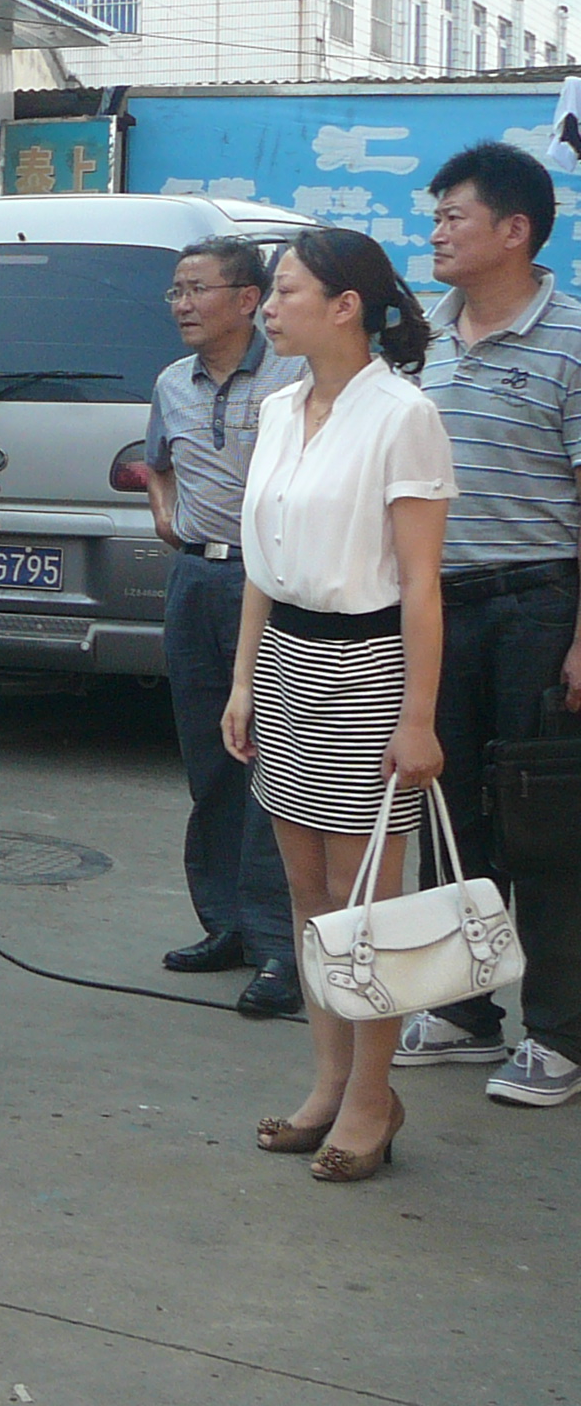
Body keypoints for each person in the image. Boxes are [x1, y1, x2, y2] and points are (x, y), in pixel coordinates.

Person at [226, 229, 454, 1181]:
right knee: (310, 897)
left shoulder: (403, 415)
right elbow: (262, 559)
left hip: (366, 667)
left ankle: (372, 1098)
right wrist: (244, 679)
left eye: (286, 291)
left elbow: (421, 583)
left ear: (346, 305)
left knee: (370, 905)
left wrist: (418, 717)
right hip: (285, 659)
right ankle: (327, 1083)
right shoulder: (280, 407)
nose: (269, 308)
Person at [400, 142, 581, 1109]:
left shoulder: (574, 340)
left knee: (543, 824)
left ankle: (559, 1033)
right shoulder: (418, 340)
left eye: (452, 216)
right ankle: (463, 1011)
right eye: (434, 216)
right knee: (447, 814)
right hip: (437, 607)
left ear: (515, 230)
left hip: (538, 607)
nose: (435, 232)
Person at [144, 237, 306, 1017]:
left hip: (267, 582)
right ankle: (227, 924)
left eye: (197, 289)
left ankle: (281, 946)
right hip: (195, 580)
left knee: (271, 765)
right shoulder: (171, 383)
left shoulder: (294, 377)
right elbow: (157, 463)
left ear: (248, 299)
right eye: (175, 290)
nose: (182, 304)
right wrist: (166, 515)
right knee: (210, 761)